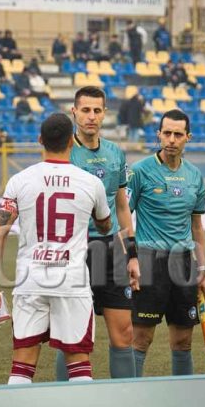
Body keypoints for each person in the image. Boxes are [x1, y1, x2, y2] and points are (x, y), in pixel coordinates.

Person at [0, 113, 111, 384]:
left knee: (22, 366)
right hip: (72, 282)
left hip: (31, 280)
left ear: (40, 140)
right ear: (72, 143)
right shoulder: (91, 183)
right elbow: (104, 225)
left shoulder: (19, 181)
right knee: (78, 364)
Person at [53, 86, 139, 381]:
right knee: (71, 335)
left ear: (105, 114)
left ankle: (125, 401)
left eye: (97, 110)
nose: (91, 116)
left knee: (124, 332)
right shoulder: (63, 152)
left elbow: (122, 206)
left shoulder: (115, 153)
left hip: (112, 249)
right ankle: (66, 402)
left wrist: (133, 254)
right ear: (74, 112)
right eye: (85, 110)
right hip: (74, 251)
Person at [128, 109, 205, 377]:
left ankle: (182, 397)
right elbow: (122, 217)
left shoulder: (195, 176)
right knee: (141, 338)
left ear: (188, 137)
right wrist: (131, 258)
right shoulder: (139, 172)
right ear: (158, 134)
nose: (171, 139)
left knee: (183, 341)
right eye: (167, 133)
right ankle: (130, 397)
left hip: (184, 264)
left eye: (177, 134)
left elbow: (197, 226)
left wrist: (203, 269)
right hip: (150, 261)